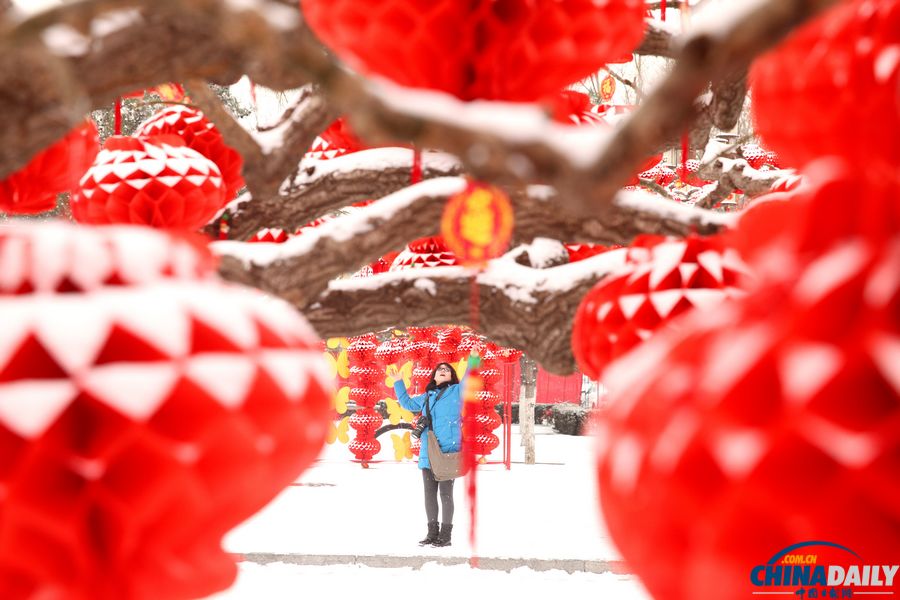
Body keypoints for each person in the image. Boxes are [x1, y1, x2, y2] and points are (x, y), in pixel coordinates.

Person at [386, 361, 466, 548]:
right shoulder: (426, 397)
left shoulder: (457, 391)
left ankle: (445, 536)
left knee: (446, 494)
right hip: (427, 451)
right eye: (440, 369)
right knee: (429, 494)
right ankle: (432, 533)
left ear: (451, 376)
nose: (443, 371)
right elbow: (406, 403)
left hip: (447, 451)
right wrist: (398, 381)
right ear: (434, 376)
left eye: (447, 370)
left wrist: (474, 359)